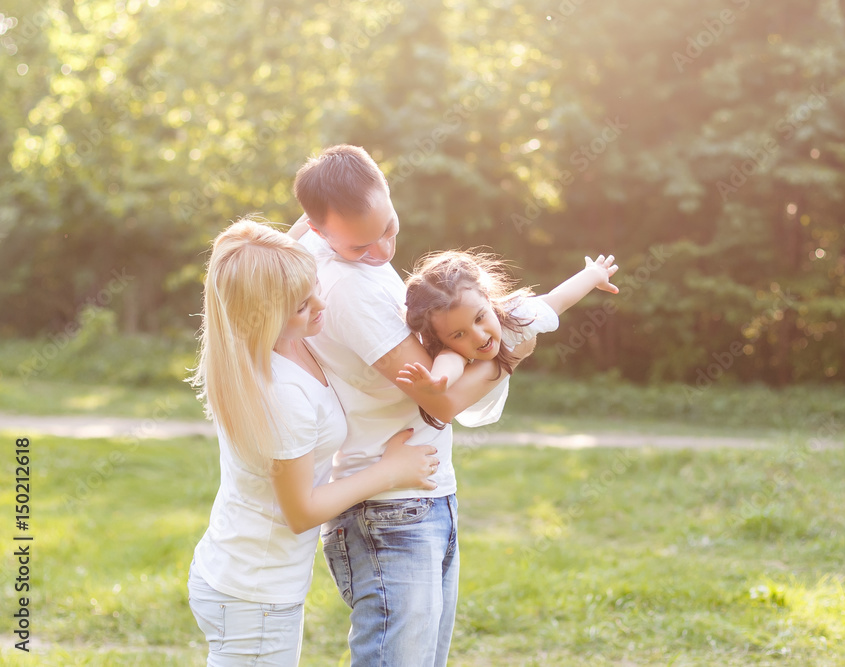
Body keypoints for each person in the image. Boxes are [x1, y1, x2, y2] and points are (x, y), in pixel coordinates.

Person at [289, 144, 536, 666]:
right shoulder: (348, 287)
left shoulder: (325, 247)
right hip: (390, 513)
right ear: (320, 230)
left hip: (419, 497)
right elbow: (438, 403)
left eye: (389, 227)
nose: (381, 250)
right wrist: (506, 353)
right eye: (361, 245)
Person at [186, 219, 439, 666]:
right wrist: (390, 471)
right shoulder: (281, 391)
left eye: (315, 286)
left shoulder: (278, 340)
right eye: (304, 305)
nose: (322, 304)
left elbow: (305, 228)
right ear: (264, 315)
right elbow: (300, 511)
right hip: (254, 593)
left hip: (245, 576)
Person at [397, 250, 619, 429]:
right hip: (469, 400)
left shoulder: (517, 316)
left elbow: (559, 299)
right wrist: (436, 381)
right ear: (441, 338)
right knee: (452, 355)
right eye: (459, 334)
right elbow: (449, 363)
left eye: (480, 318)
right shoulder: (450, 351)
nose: (479, 336)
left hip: (497, 370)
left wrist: (595, 274)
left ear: (486, 297)